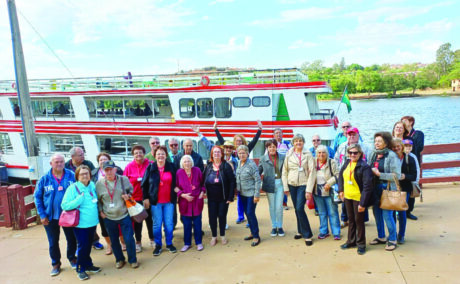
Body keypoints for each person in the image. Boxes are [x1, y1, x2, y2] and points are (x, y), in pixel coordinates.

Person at [34, 154, 77, 276]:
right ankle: (56, 264)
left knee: (72, 239)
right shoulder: (44, 179)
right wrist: (42, 215)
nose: (59, 164)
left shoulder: (71, 176)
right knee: (53, 242)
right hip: (50, 217)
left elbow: (79, 191)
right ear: (51, 164)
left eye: (61, 161)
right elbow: (37, 197)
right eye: (56, 162)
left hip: (68, 215)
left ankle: (72, 258)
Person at [61, 165, 101, 281]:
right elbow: (64, 205)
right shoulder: (73, 188)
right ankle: (80, 268)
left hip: (92, 222)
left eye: (87, 173)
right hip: (80, 224)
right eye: (82, 174)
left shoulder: (92, 185)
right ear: (77, 176)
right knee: (83, 246)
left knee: (88, 245)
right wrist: (79, 199)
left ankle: (88, 264)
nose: (85, 175)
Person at [96, 161, 138, 269]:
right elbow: (98, 200)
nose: (109, 172)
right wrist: (101, 211)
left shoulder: (123, 179)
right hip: (109, 217)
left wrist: (128, 196)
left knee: (128, 239)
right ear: (103, 171)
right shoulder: (99, 183)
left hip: (124, 214)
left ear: (115, 169)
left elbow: (131, 191)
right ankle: (119, 259)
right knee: (114, 241)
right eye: (106, 170)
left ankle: (132, 260)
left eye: (111, 169)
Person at [368, 131, 401, 251]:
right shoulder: (373, 154)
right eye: (375, 141)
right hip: (374, 188)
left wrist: (379, 174)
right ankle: (381, 236)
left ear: (386, 143)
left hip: (387, 188)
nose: (376, 143)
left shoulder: (391, 156)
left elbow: (396, 175)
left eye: (379, 141)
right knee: (376, 214)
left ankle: (392, 239)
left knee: (387, 215)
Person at [338, 144, 374, 255]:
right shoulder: (347, 163)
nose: (353, 155)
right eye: (350, 153)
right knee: (351, 220)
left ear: (360, 153)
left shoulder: (364, 167)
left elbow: (368, 186)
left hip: (358, 197)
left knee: (359, 221)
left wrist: (363, 203)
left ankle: (361, 244)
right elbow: (340, 176)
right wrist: (341, 190)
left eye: (355, 153)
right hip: (347, 197)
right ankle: (351, 241)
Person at [142, 146, 177, 256]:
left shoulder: (171, 167)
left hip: (169, 201)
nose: (160, 156)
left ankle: (169, 243)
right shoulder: (151, 167)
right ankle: (158, 245)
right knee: (157, 225)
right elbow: (144, 184)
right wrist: (145, 198)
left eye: (162, 154)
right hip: (155, 202)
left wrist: (178, 190)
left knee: (169, 224)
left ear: (166, 155)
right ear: (155, 156)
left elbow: (177, 181)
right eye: (158, 154)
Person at [282, 134, 316, 246]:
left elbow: (312, 172)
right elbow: (284, 171)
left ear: (303, 142)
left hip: (303, 183)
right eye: (296, 141)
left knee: (300, 208)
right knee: (297, 209)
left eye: (300, 141)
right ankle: (300, 230)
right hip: (292, 184)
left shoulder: (308, 154)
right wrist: (285, 187)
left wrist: (309, 190)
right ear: (293, 143)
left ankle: (307, 234)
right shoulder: (289, 154)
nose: (298, 143)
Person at [334, 127, 371, 228]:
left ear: (358, 135)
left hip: (360, 178)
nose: (351, 136)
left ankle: (362, 220)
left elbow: (370, 161)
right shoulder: (342, 146)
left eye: (354, 134)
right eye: (350, 134)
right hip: (346, 176)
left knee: (361, 199)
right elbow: (336, 159)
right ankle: (345, 219)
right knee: (345, 199)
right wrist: (339, 172)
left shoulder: (365, 147)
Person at [91, 152, 124, 255]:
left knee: (119, 225)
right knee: (104, 226)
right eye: (101, 160)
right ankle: (109, 245)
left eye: (105, 159)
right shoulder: (93, 173)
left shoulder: (117, 170)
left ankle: (122, 243)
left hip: (117, 202)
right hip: (102, 203)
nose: (103, 161)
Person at [203, 146, 236, 246]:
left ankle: (222, 235)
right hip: (211, 197)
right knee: (212, 217)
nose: (216, 154)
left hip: (223, 197)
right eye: (214, 152)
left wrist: (230, 196)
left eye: (218, 152)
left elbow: (232, 181)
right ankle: (214, 237)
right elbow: (202, 179)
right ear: (212, 154)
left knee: (222, 216)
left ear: (221, 154)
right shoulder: (208, 166)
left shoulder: (226, 166)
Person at [123, 145, 154, 252]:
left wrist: (150, 197)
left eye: (140, 152)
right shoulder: (128, 167)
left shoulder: (150, 164)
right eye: (136, 153)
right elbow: (124, 183)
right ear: (133, 155)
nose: (138, 155)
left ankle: (152, 239)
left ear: (144, 153)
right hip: (134, 199)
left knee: (149, 219)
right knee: (137, 222)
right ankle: (138, 242)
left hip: (147, 198)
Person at [175, 155, 205, 252]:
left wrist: (202, 193)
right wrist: (183, 195)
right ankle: (187, 243)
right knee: (186, 225)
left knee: (197, 224)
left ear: (192, 162)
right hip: (185, 202)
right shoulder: (179, 172)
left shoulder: (197, 170)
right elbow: (175, 187)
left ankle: (198, 242)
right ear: (182, 164)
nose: (187, 163)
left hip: (197, 201)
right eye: (185, 162)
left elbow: (203, 184)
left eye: (189, 161)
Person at [391, 138, 417, 244]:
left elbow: (414, 176)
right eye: (394, 146)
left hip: (404, 189)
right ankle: (393, 234)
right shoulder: (390, 158)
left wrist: (404, 176)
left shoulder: (409, 159)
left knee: (402, 212)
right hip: (392, 188)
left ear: (402, 147)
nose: (396, 148)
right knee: (391, 212)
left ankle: (401, 235)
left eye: (398, 146)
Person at [313, 145, 341, 240]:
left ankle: (336, 232)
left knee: (333, 212)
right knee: (321, 212)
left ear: (327, 153)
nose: (321, 154)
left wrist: (329, 183)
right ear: (316, 154)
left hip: (329, 191)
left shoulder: (331, 162)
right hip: (317, 191)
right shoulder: (313, 162)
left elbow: (337, 175)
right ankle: (324, 231)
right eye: (319, 152)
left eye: (323, 152)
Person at [236, 145, 262, 246]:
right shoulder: (239, 163)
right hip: (242, 193)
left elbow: (257, 179)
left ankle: (256, 236)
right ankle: (252, 232)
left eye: (243, 153)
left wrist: (256, 195)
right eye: (240, 153)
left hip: (251, 194)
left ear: (247, 153)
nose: (241, 155)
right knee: (247, 213)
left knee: (250, 213)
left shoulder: (251, 164)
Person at [258, 139, 285, 237]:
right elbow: (258, 172)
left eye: (274, 146)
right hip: (269, 183)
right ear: (267, 148)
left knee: (279, 207)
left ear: (276, 147)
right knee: (272, 206)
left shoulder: (282, 157)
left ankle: (280, 226)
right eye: (270, 147)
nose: (272, 148)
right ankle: (274, 227)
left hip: (280, 183)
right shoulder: (263, 158)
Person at [401, 115, 425, 220]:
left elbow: (419, 147)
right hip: (402, 162)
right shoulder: (402, 135)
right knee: (402, 187)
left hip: (413, 161)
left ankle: (409, 211)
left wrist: (407, 145)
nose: (402, 122)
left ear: (410, 122)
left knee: (412, 185)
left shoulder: (418, 134)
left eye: (404, 121)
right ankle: (401, 210)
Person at [273, 128, 292, 211]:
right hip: (275, 168)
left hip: (285, 168)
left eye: (279, 133)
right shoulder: (271, 144)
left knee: (284, 185)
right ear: (274, 135)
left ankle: (284, 203)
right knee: (276, 185)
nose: (278, 135)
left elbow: (292, 154)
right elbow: (267, 155)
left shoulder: (287, 144)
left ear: (282, 134)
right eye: (276, 133)